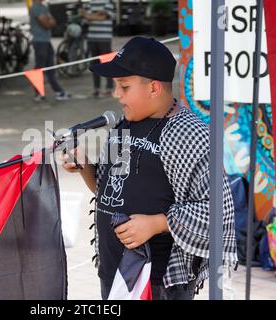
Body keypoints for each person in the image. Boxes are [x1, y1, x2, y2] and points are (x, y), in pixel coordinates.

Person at [60, 36, 238, 300]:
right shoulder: (123, 125)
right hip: (113, 270)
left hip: (160, 282)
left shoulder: (190, 135)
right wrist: (84, 166)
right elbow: (108, 190)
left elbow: (219, 212)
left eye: (124, 86)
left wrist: (157, 223)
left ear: (154, 88)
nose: (116, 94)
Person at [29, 0, 71, 101]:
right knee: (39, 68)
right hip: (39, 42)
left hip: (46, 41)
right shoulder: (35, 8)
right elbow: (46, 24)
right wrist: (49, 21)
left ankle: (59, 91)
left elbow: (53, 21)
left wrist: (49, 21)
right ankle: (38, 93)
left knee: (50, 68)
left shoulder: (44, 7)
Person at [82, 0, 115, 98]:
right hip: (92, 38)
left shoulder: (108, 2)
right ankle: (96, 88)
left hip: (104, 38)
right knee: (94, 64)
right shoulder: (89, 3)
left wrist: (89, 16)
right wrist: (96, 15)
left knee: (107, 63)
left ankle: (109, 87)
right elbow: (85, 19)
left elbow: (103, 17)